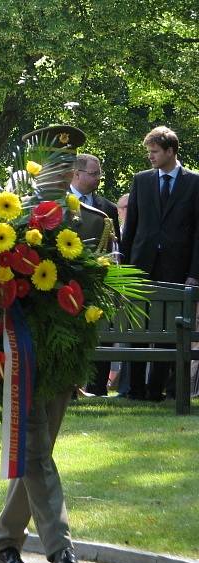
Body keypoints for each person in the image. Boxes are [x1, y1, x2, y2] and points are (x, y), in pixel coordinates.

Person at [0, 125, 106, 563]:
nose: (58, 174)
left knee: (38, 451)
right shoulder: (10, 219)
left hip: (64, 357)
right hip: (19, 352)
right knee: (35, 449)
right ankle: (61, 550)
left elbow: (96, 296)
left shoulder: (92, 222)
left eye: (66, 164)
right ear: (36, 169)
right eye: (51, 164)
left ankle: (4, 545)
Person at [119, 126, 199, 402]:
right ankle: (135, 390)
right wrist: (125, 269)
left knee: (168, 331)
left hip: (177, 269)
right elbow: (131, 228)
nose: (150, 157)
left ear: (170, 151)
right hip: (141, 266)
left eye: (154, 152)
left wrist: (194, 273)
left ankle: (157, 391)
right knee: (137, 328)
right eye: (149, 152)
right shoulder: (141, 180)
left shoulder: (195, 182)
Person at [70, 154, 119, 397]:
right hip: (64, 284)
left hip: (96, 286)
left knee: (102, 333)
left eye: (99, 173)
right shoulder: (58, 203)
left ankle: (98, 389)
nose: (98, 178)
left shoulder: (108, 209)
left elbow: (114, 251)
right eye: (93, 173)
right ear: (76, 174)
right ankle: (69, 388)